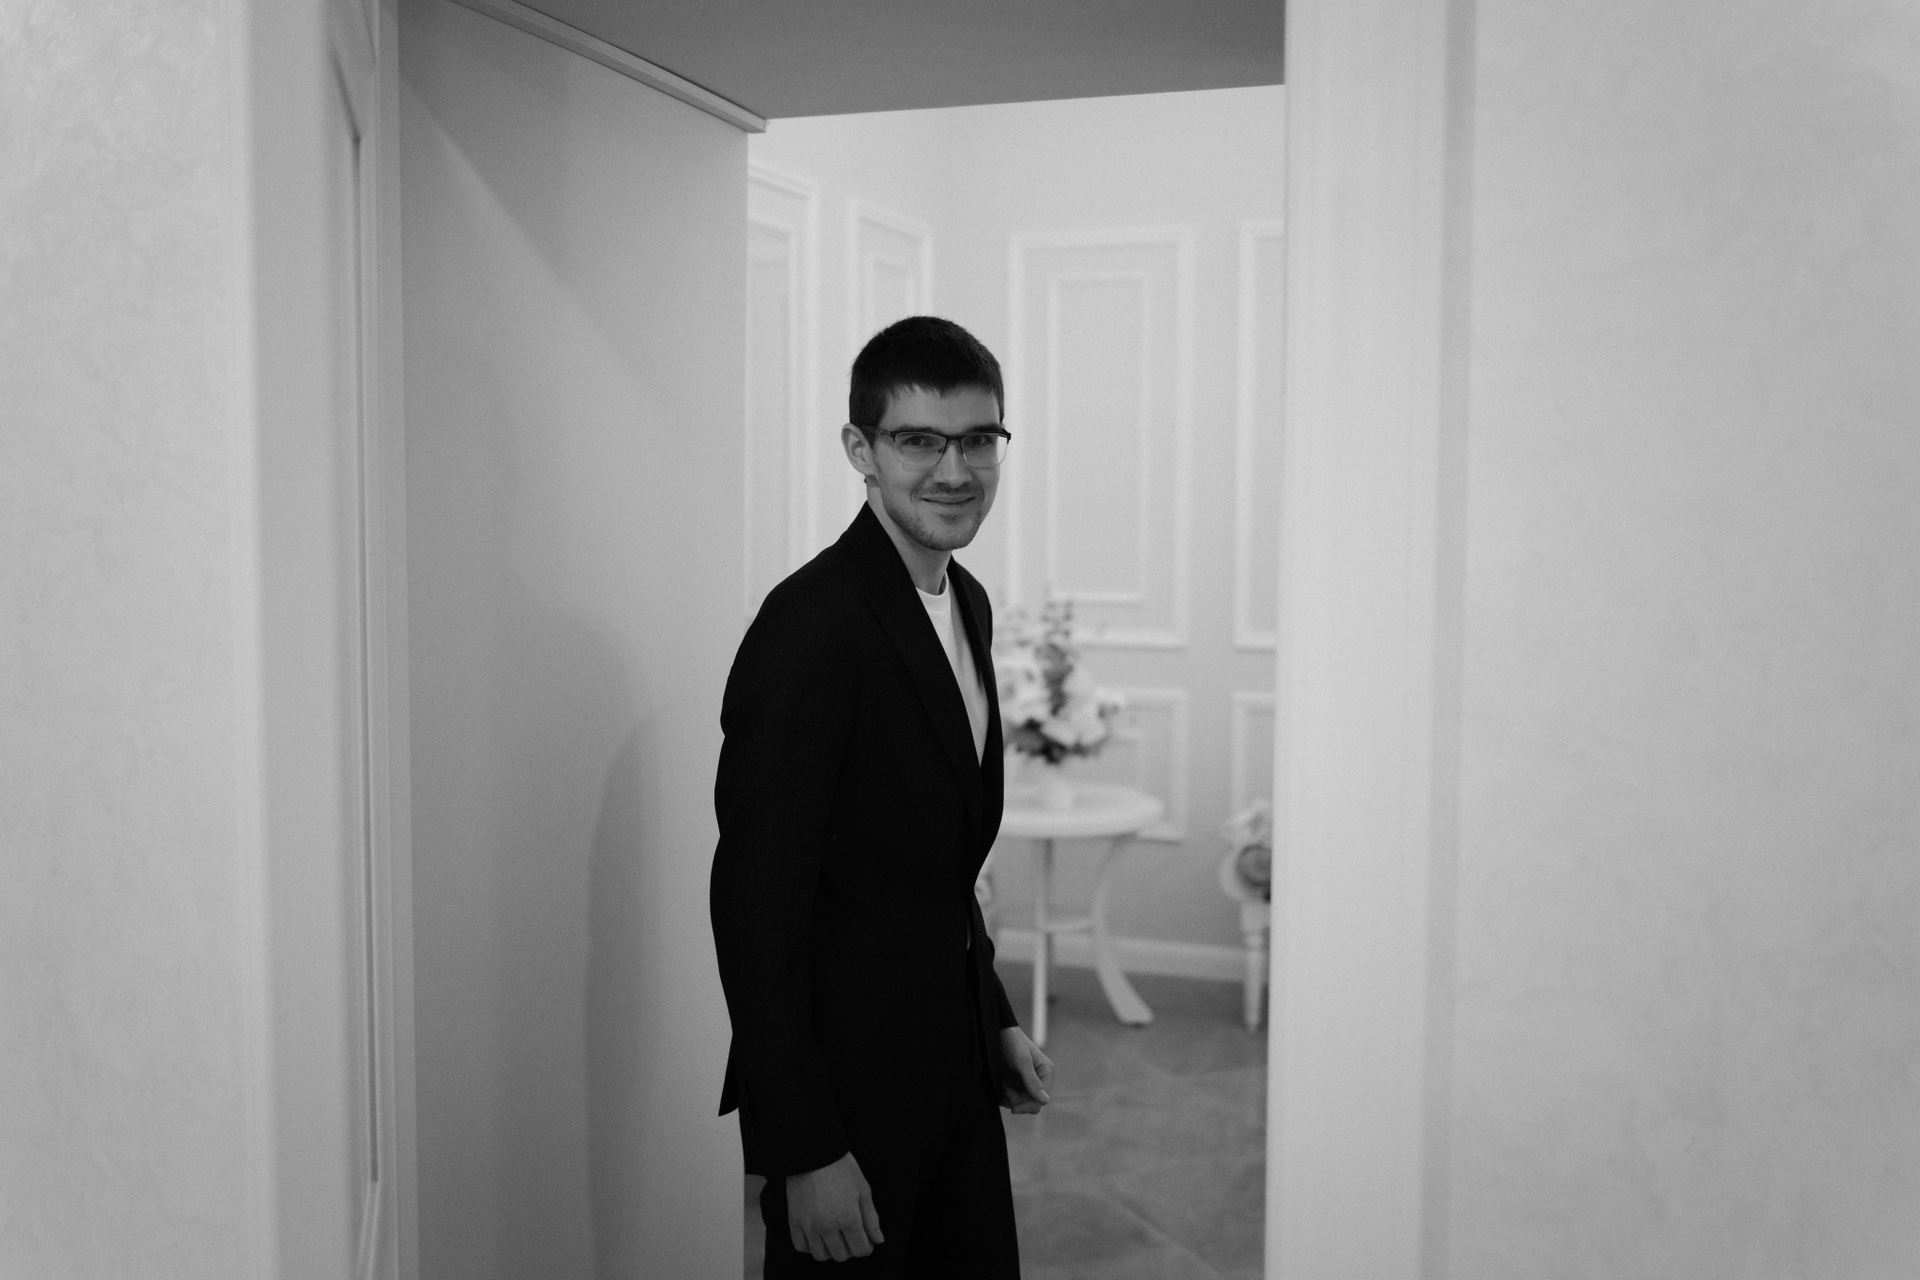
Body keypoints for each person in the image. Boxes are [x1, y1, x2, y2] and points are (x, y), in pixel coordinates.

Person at [711, 316, 1052, 1276]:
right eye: (919, 441)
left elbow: (927, 868)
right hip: (847, 1102)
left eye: (978, 440)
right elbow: (756, 908)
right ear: (860, 449)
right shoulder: (809, 628)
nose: (955, 470)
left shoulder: (965, 600)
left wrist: (993, 1017)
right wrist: (805, 1148)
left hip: (953, 1072)